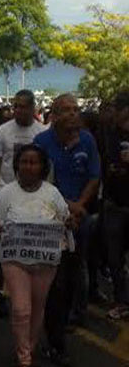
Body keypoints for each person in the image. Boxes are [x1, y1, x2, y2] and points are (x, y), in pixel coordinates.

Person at [0, 144, 70, 367]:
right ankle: (23, 355)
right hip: (15, 260)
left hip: (45, 262)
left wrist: (69, 222)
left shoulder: (52, 193)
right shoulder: (7, 192)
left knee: (37, 306)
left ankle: (30, 346)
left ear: (43, 166)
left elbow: (66, 218)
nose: (28, 166)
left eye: (33, 162)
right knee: (20, 308)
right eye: (24, 162)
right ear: (17, 165)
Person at [33, 94, 100, 366]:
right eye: (67, 110)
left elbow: (94, 176)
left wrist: (79, 206)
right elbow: (37, 181)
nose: (73, 114)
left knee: (72, 278)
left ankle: (62, 327)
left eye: (76, 109)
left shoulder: (87, 140)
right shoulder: (41, 143)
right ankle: (56, 342)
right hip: (50, 222)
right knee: (55, 284)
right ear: (55, 115)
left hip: (79, 222)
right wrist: (67, 207)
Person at [0, 90, 47, 318]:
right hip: (5, 194)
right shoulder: (3, 131)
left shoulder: (41, 133)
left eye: (23, 107)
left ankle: (23, 293)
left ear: (33, 108)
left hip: (32, 199)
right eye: (16, 106)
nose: (19, 111)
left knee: (25, 248)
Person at [103, 91, 129, 320]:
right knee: (114, 259)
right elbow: (108, 167)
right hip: (114, 205)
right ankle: (122, 301)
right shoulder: (109, 135)